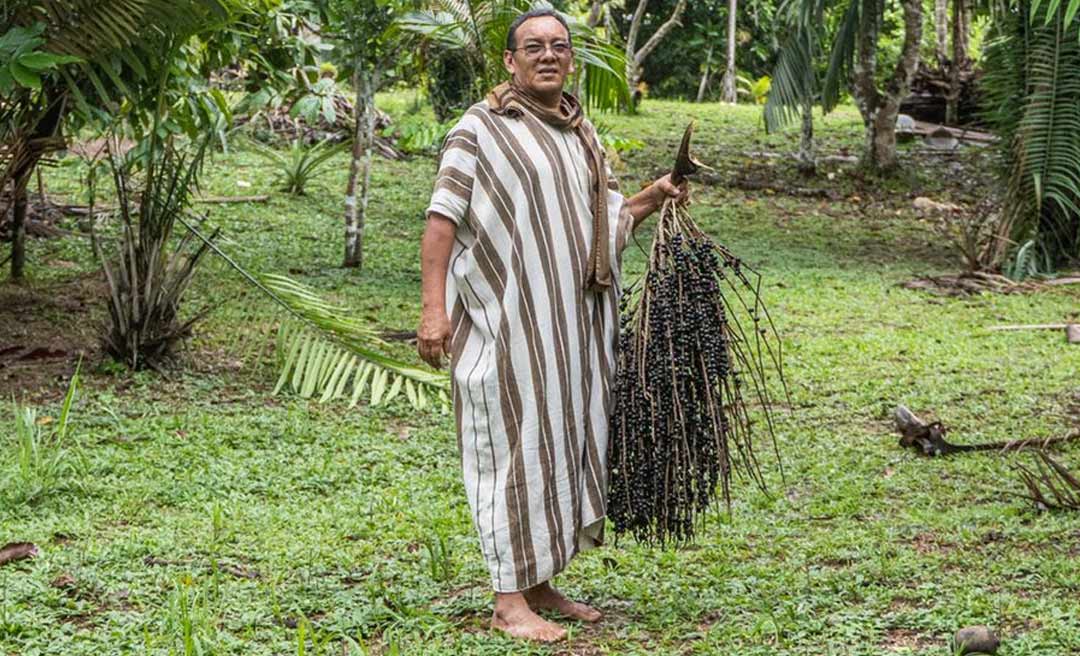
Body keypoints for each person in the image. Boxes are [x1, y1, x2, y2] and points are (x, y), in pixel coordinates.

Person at [416, 8, 687, 643]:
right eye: (532, 47)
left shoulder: (580, 134)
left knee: (557, 447)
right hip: (505, 329)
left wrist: (650, 196)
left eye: (558, 47)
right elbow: (441, 222)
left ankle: (539, 583)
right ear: (509, 61)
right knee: (511, 452)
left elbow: (605, 225)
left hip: (570, 335)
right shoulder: (479, 130)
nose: (547, 55)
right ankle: (507, 601)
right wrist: (433, 312)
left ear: (571, 61)